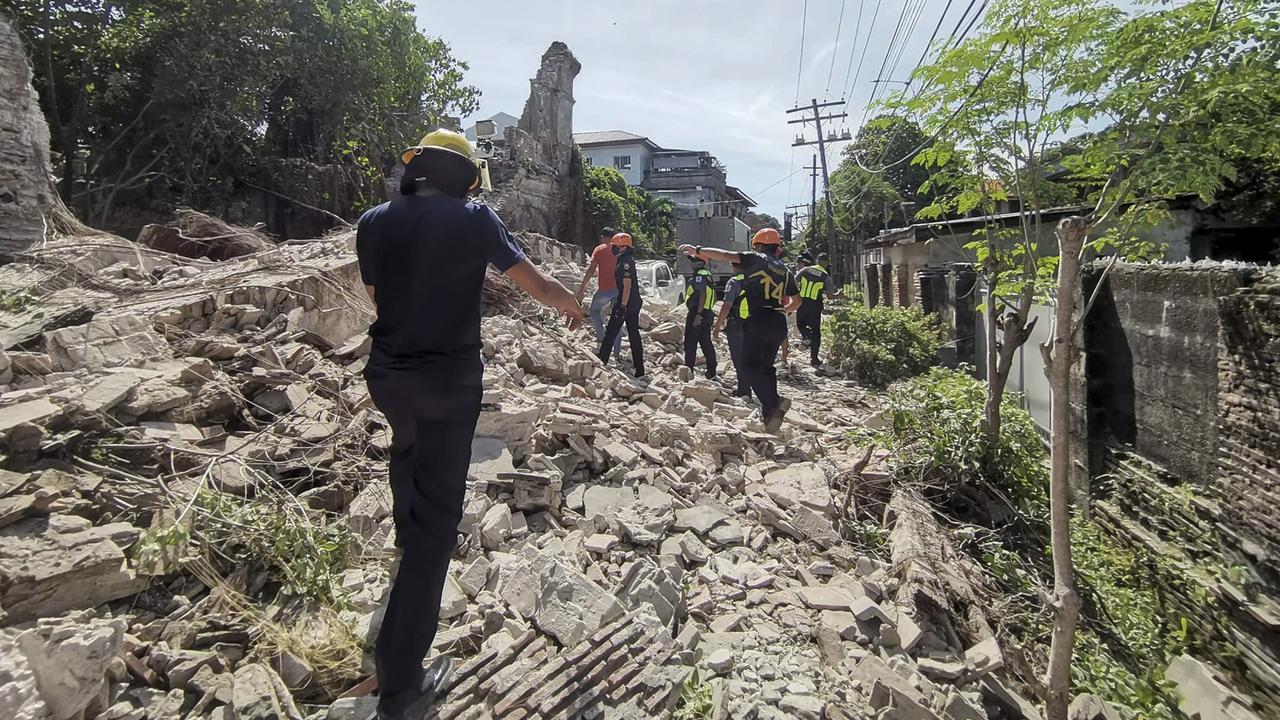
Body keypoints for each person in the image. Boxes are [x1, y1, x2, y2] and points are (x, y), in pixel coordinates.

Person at [356, 128, 583, 720]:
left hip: (388, 375)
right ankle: (401, 682)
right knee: (438, 521)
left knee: (407, 449)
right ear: (467, 177)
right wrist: (572, 305)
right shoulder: (476, 218)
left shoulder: (373, 221)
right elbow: (531, 281)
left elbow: (378, 297)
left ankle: (408, 538)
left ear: (417, 169)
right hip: (447, 383)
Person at [679, 228, 799, 432]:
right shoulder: (786, 271)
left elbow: (725, 255)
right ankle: (770, 412)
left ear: (759, 246)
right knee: (766, 367)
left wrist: (698, 250)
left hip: (759, 319)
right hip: (778, 321)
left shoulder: (756, 258)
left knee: (749, 366)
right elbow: (798, 301)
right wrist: (781, 311)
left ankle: (774, 403)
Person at [598, 232, 646, 377]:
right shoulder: (625, 259)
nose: (613, 248)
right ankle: (639, 369)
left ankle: (601, 362)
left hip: (627, 302)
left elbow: (627, 286)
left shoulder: (625, 262)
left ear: (624, 247)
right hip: (633, 302)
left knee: (611, 331)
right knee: (633, 334)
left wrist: (623, 306)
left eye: (615, 246)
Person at [575, 227, 622, 360]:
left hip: (605, 290)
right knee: (616, 319)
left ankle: (601, 336)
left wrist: (582, 287)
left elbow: (591, 269)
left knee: (594, 310)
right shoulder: (621, 250)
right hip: (619, 290)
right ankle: (617, 352)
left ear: (604, 237)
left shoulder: (600, 249)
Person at [713, 262, 751, 398]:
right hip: (754, 324)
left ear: (734, 267)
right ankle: (749, 386)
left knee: (739, 358)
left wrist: (717, 327)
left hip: (737, 324)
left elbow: (726, 306)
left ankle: (744, 391)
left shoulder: (734, 282)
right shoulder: (755, 279)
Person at [682, 257, 717, 379]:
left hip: (698, 313)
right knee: (705, 342)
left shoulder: (699, 276)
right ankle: (711, 371)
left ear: (700, 263)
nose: (691, 263)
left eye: (693, 261)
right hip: (707, 313)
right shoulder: (707, 275)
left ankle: (688, 371)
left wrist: (698, 314)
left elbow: (703, 294)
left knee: (690, 343)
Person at [795, 251, 830, 366]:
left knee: (800, 325)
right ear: (826, 263)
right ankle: (814, 359)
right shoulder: (825, 276)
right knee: (816, 332)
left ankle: (807, 337)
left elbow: (794, 281)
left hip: (802, 302)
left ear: (816, 261)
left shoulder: (805, 270)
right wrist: (839, 294)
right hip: (815, 305)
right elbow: (830, 295)